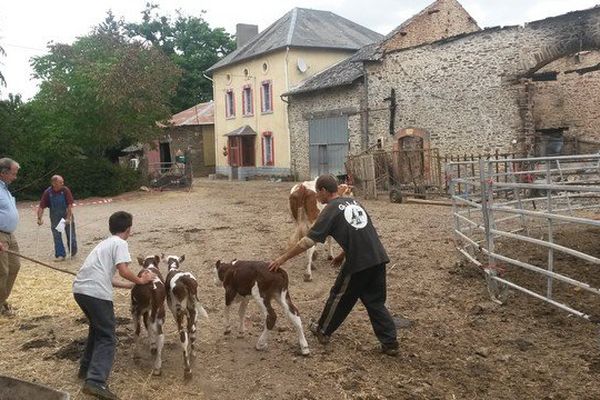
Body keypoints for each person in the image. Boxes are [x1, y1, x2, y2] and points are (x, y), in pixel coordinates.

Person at [269, 174, 399, 356]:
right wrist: (341, 254)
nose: (316, 197)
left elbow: (307, 242)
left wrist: (282, 259)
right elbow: (359, 230)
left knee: (339, 296)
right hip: (378, 256)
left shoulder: (330, 210)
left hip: (359, 261)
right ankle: (390, 342)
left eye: (317, 193)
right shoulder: (354, 203)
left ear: (323, 191)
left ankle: (323, 330)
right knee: (375, 302)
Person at [73, 211, 155, 400]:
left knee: (97, 330)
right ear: (128, 229)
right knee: (108, 336)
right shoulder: (120, 243)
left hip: (81, 290)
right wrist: (141, 280)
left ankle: (85, 371)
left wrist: (130, 285)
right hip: (96, 293)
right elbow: (124, 270)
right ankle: (95, 381)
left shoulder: (104, 244)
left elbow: (108, 277)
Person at [37, 175, 78, 261]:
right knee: (57, 236)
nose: (63, 183)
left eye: (62, 182)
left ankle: (73, 251)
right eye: (60, 182)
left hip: (66, 215)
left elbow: (70, 205)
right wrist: (39, 218)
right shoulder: (48, 192)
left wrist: (68, 218)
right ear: (54, 183)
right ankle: (60, 255)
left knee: (71, 236)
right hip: (55, 218)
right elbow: (41, 206)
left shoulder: (65, 190)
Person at [0, 158, 21, 317]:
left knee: (14, 266)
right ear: (3, 173)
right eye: (13, 174)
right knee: (2, 271)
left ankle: (2, 300)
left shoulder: (5, 189)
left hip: (9, 234)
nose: (15, 177)